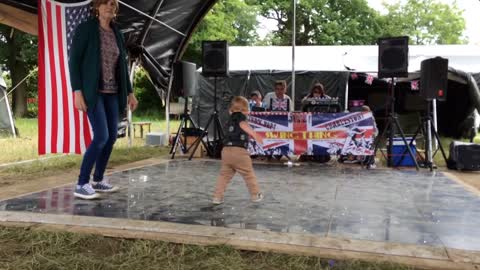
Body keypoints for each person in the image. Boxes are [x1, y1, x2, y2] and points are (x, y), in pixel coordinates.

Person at [69, 0, 138, 200]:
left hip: (113, 92)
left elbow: (123, 66)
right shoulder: (86, 29)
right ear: (97, 7)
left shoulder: (117, 32)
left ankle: (98, 180)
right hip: (93, 91)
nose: (110, 7)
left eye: (113, 5)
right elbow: (74, 60)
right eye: (106, 4)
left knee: (112, 137)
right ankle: (82, 183)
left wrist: (130, 92)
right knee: (101, 136)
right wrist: (77, 91)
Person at [212, 96, 264, 205]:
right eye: (248, 109)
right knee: (248, 174)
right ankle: (255, 195)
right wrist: (255, 135)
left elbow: (233, 115)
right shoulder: (241, 116)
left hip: (226, 151)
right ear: (244, 110)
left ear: (231, 110)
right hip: (239, 152)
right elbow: (243, 125)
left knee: (224, 176)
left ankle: (217, 197)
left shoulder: (229, 118)